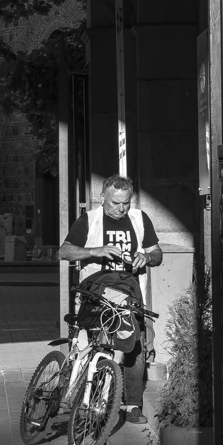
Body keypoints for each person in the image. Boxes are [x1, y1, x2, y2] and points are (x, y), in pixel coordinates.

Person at [58, 174, 163, 424]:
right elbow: (64, 251)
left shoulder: (139, 219)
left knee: (134, 346)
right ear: (102, 197)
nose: (121, 208)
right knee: (90, 346)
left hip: (130, 295)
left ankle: (132, 405)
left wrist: (147, 258)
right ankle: (83, 398)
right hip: (96, 294)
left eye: (126, 202)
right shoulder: (89, 220)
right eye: (115, 202)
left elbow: (157, 253)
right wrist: (95, 251)